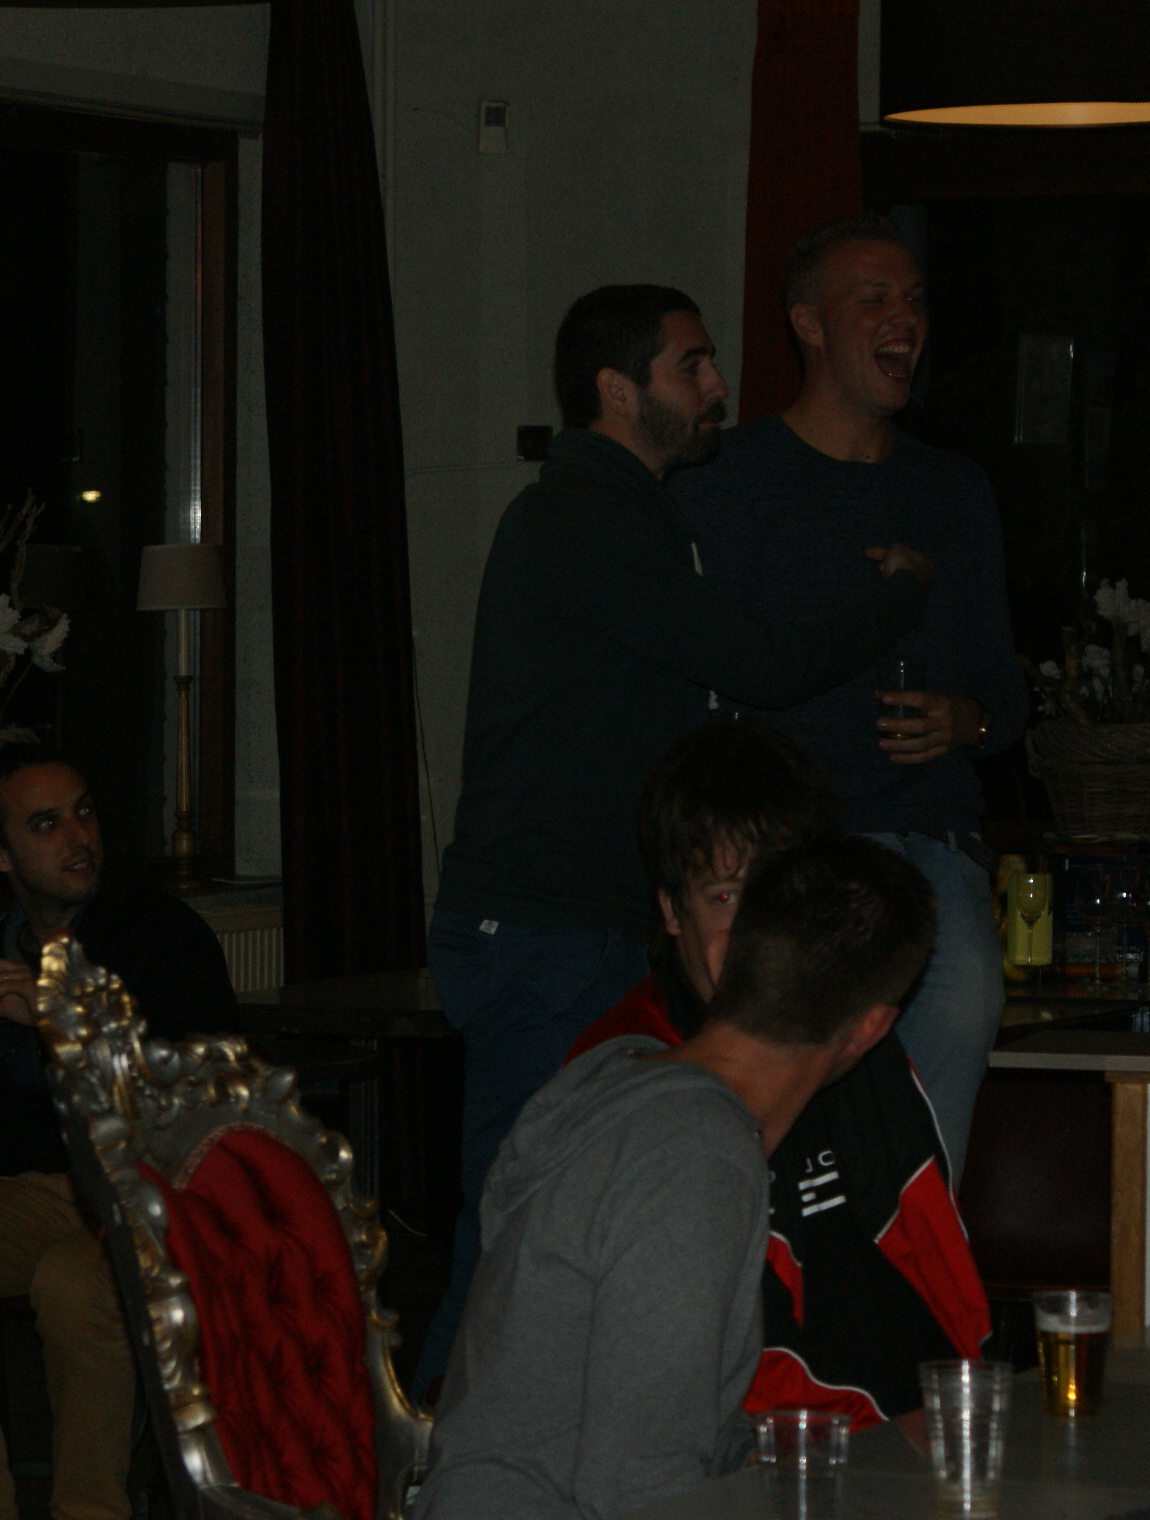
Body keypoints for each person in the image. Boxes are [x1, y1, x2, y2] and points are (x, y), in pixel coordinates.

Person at [414, 283, 937, 1392]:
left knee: (555, 1218)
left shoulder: (632, 516)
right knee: (515, 1230)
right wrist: (896, 597)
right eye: (690, 365)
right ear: (617, 390)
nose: (716, 385)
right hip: (544, 928)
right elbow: (759, 664)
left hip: (577, 925)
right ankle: (438, 1469)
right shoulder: (581, 518)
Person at [417, 835, 937, 1520]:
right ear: (870, 1028)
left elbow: (667, 1437)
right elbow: (639, 1488)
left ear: (725, 955)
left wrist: (865, 1453)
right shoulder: (695, 1158)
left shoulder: (616, 1074)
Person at [673, 215, 1028, 1182]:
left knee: (963, 998)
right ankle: (781, 1249)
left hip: (929, 837)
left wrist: (968, 720)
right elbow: (702, 684)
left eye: (913, 300)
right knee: (795, 1068)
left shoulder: (955, 491)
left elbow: (1006, 694)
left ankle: (916, 1248)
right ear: (809, 325)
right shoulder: (731, 481)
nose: (903, 318)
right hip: (793, 848)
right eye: (874, 299)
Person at [566, 721, 991, 1428]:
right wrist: (897, 1438)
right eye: (726, 896)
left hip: (894, 1436)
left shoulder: (854, 1037)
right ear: (670, 909)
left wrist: (965, 1409)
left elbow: (938, 1266)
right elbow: (715, 1371)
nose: (756, 932)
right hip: (771, 1456)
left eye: (774, 895)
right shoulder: (634, 1072)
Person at [0, 743, 236, 1520]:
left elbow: (198, 1096)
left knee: (73, 1280)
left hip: (161, 1193)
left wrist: (57, 1018)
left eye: (84, 813)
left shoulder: (159, 934)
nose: (78, 837)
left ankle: (90, 1511)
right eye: (46, 824)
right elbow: (1, 1123)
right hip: (56, 1192)